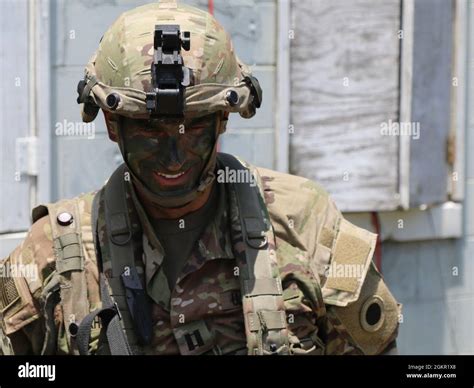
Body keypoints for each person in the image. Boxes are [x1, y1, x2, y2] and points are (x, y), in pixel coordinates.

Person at [0, 0, 401, 355]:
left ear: (223, 119)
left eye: (193, 129)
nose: (173, 157)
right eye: (148, 130)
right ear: (111, 123)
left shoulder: (305, 224)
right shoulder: (55, 252)